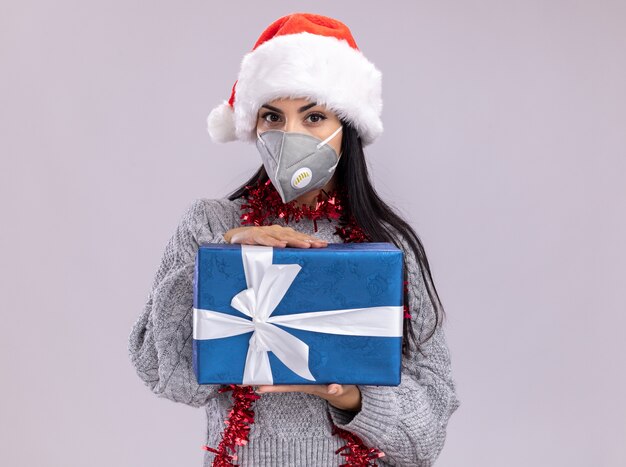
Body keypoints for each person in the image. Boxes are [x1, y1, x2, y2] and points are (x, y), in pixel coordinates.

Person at [128, 12, 460, 466]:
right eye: (273, 117)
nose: (291, 136)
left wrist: (349, 398)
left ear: (348, 128)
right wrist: (222, 260)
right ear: (253, 126)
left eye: (314, 116)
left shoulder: (388, 246)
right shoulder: (209, 226)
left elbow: (428, 434)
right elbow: (165, 376)